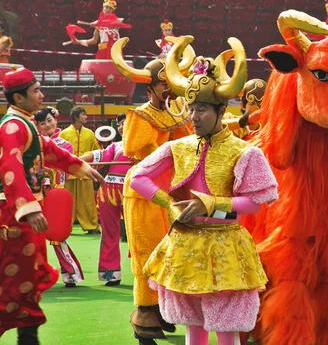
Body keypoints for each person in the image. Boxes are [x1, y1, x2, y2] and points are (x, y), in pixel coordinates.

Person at [130, 35, 278, 345]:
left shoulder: (245, 152)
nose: (193, 117)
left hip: (226, 245)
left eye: (202, 110)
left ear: (222, 111)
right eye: (191, 108)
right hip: (185, 246)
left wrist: (210, 205)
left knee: (226, 329)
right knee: (193, 327)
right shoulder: (179, 146)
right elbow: (138, 178)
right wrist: (169, 205)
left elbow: (254, 203)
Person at [0, 67, 103, 343]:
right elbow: (11, 167)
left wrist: (81, 166)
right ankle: (27, 337)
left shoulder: (25, 123)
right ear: (19, 98)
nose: (41, 95)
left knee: (26, 273)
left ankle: (28, 336)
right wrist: (29, 209)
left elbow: (48, 149)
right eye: (35, 91)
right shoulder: (13, 126)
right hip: (12, 214)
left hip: (19, 212)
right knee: (15, 275)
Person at [111, 37, 194, 343]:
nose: (170, 87)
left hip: (172, 189)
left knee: (173, 251)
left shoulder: (178, 112)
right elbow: (133, 149)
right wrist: (169, 133)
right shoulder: (140, 115)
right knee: (148, 252)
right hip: (144, 189)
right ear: (150, 88)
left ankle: (162, 309)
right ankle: (145, 312)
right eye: (164, 83)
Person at [34, 107, 84, 288]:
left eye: (49, 120)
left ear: (55, 119)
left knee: (57, 235)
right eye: (42, 123)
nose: (47, 125)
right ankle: (37, 276)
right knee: (34, 237)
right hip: (36, 195)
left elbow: (65, 169)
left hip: (55, 193)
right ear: (37, 126)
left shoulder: (64, 144)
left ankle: (70, 273)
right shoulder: (33, 143)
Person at [81, 113, 131, 286]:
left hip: (132, 193)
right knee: (109, 233)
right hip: (108, 192)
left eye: (125, 123)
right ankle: (111, 274)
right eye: (120, 125)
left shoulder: (145, 147)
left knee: (137, 233)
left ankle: (144, 272)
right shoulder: (115, 146)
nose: (121, 127)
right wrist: (75, 161)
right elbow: (98, 155)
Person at [59, 106, 102, 234]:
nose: (86, 117)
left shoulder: (90, 133)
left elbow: (96, 150)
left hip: (85, 172)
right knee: (67, 201)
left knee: (88, 201)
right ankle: (64, 226)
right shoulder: (64, 134)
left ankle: (91, 226)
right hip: (68, 173)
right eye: (84, 114)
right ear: (76, 117)